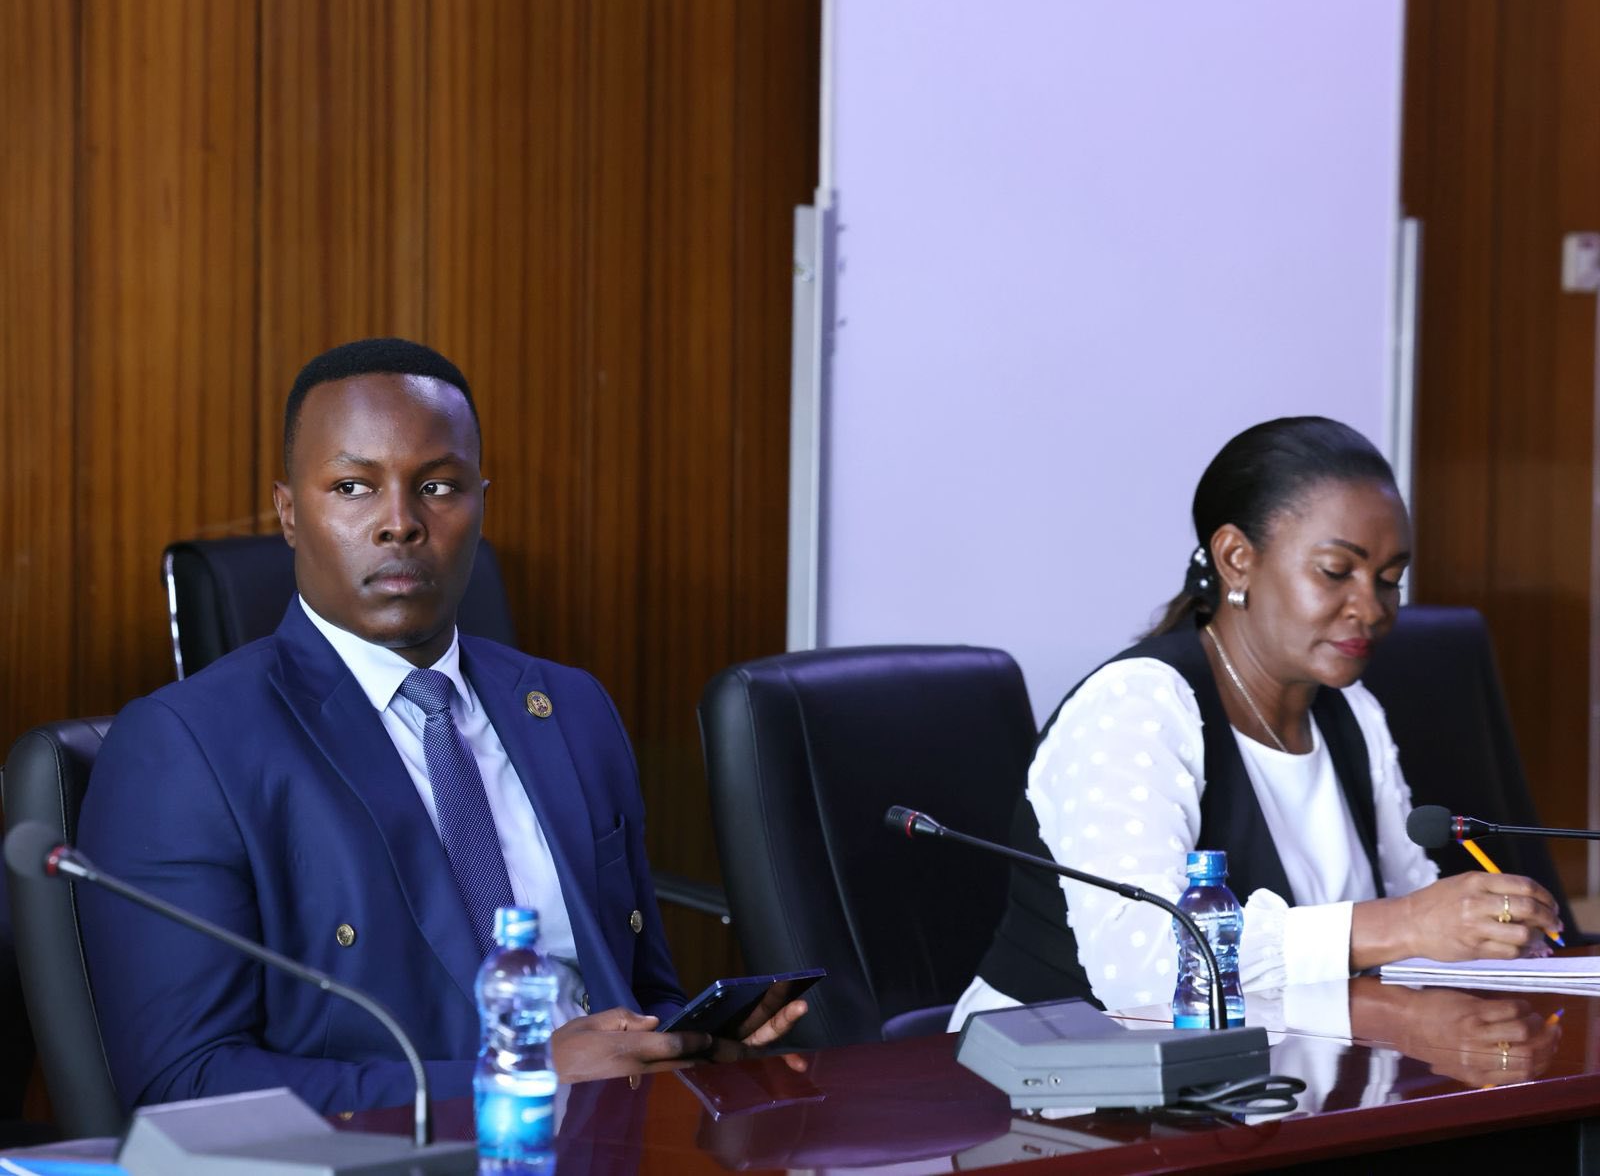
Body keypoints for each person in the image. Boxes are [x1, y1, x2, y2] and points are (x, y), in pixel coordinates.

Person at [78, 338, 803, 1114]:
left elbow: (639, 992)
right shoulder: (184, 746)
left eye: (438, 486)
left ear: (481, 503)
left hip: (617, 1143)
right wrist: (516, 1076)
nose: (400, 524)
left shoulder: (572, 708)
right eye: (353, 487)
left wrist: (696, 1047)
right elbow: (184, 1084)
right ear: (290, 513)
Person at [953, 416, 1561, 1027]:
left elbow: (1413, 921)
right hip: (1061, 1062)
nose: (1372, 608)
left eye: (1390, 580)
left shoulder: (1352, 712)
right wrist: (1405, 923)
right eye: (1336, 571)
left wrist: (1484, 931)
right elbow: (1146, 972)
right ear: (1236, 558)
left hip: (1288, 1062)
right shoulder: (1137, 707)